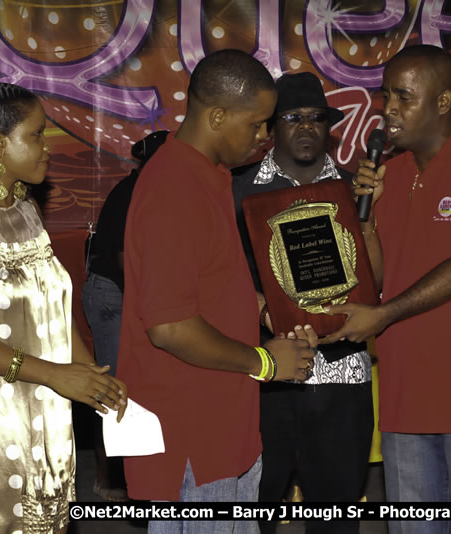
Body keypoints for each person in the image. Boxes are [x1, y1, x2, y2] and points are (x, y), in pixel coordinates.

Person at [321, 45, 451, 533]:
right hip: (403, 388)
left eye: (403, 97)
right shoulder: (389, 174)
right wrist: (366, 222)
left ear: (443, 102)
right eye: (385, 95)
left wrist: (385, 315)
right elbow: (377, 278)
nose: (388, 109)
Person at [117, 50, 316, 533]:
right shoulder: (174, 189)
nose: (265, 137)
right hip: (192, 431)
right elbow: (168, 326)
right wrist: (265, 363)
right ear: (218, 115)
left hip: (219, 416)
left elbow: (201, 283)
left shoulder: (208, 175)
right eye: (257, 124)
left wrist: (261, 309)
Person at [0, 82, 127, 533]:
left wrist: (93, 380)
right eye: (36, 135)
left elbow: (51, 306)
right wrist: (55, 374)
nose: (46, 148)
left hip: (45, 409)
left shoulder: (26, 209)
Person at [232, 72, 373, 534]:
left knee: (337, 509)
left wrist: (369, 214)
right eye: (293, 117)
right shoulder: (237, 189)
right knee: (256, 504)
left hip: (343, 368)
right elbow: (214, 275)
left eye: (316, 118)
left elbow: (377, 284)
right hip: (265, 369)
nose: (306, 126)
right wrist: (258, 305)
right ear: (271, 127)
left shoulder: (357, 190)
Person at [82, 130, 168, 501]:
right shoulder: (138, 192)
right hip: (113, 293)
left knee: (129, 388)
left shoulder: (146, 189)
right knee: (113, 389)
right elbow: (123, 263)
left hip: (124, 291)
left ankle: (131, 480)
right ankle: (109, 481)